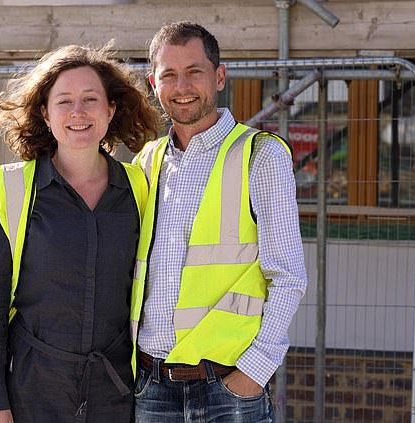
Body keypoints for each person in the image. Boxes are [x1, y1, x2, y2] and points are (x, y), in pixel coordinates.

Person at [0, 44, 162, 423]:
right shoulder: (15, 192)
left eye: (91, 99)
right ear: (45, 112)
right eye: (65, 101)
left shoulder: (140, 190)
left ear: (110, 109)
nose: (78, 112)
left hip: (116, 396)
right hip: (30, 393)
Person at [130, 21, 308, 422]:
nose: (182, 86)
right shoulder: (146, 162)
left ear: (220, 76)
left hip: (227, 390)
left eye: (195, 71)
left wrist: (253, 372)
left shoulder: (259, 156)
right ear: (153, 84)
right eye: (169, 75)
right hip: (151, 387)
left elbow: (289, 276)